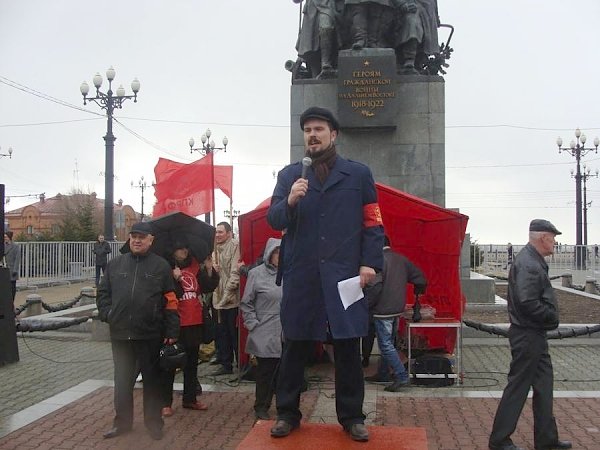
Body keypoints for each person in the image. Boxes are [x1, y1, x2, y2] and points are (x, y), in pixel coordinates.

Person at [267, 106, 384, 442]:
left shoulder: (358, 174)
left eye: (319, 129)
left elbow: (373, 223)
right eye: (307, 130)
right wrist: (289, 201)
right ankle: (287, 413)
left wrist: (369, 263)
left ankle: (351, 417)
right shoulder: (289, 176)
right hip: (302, 275)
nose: (312, 135)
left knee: (348, 347)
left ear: (333, 134)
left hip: (344, 276)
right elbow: (274, 221)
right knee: (295, 347)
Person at [488, 219, 571, 450]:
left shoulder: (531, 260)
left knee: (544, 387)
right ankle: (499, 440)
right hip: (528, 335)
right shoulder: (529, 264)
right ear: (543, 237)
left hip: (533, 334)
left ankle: (547, 440)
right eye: (553, 237)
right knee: (518, 387)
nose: (555, 242)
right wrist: (551, 317)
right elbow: (527, 302)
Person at [96, 222, 179, 441]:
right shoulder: (115, 265)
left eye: (142, 237)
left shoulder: (161, 266)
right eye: (134, 236)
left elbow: (170, 301)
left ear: (151, 240)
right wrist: (108, 314)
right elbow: (103, 293)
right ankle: (122, 423)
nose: (137, 240)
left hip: (150, 335)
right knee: (122, 383)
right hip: (121, 334)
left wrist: (172, 330)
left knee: (152, 383)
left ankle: (154, 424)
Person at [160, 242, 219, 417]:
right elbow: (168, 294)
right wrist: (175, 279)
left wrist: (209, 269)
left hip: (194, 321)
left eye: (186, 248)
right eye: (180, 248)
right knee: (170, 363)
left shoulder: (195, 266)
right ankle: (165, 402)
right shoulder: (166, 268)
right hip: (176, 323)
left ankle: (190, 398)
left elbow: (208, 287)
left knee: (192, 363)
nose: (184, 251)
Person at [364, 235, 427, 391]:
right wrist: (419, 290)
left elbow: (375, 287)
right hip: (397, 308)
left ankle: (401, 375)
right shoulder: (401, 259)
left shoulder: (377, 261)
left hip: (382, 309)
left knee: (385, 345)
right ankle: (383, 373)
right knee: (389, 343)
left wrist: (366, 304)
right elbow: (419, 277)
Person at [240, 238, 282, 420]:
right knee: (265, 371)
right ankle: (261, 406)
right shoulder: (256, 274)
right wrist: (253, 324)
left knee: (285, 373)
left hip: (286, 330)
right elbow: (246, 303)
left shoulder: (291, 272)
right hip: (264, 329)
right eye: (277, 252)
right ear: (270, 253)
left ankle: (285, 407)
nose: (280, 256)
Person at [210, 221, 241, 376]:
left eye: (221, 232)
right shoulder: (213, 250)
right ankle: (225, 363)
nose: (217, 235)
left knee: (234, 333)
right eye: (216, 232)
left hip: (232, 299)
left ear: (229, 233)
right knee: (221, 333)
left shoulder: (235, 246)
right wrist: (211, 269)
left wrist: (226, 296)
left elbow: (235, 274)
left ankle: (241, 363)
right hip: (217, 298)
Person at [296, 0, 344, 78]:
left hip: (329, 5)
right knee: (310, 43)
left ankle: (326, 63)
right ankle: (317, 73)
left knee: (326, 27)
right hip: (312, 8)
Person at [393, 0, 440, 74]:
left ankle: (418, 61)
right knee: (412, 24)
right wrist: (402, 4)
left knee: (424, 32)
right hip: (409, 7)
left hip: (427, 10)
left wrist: (436, 16)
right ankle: (409, 59)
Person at [3, 232, 20, 303]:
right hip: (4, 269)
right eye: (4, 237)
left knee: (12, 287)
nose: (4, 238)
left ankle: (11, 302)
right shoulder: (3, 246)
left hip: (12, 270)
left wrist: (15, 270)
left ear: (9, 237)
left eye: (6, 237)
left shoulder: (15, 246)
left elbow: (17, 259)